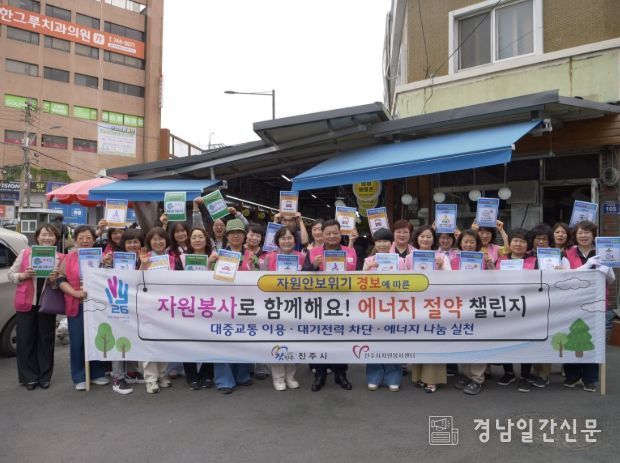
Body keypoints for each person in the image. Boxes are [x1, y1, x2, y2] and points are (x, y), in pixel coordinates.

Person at [302, 219, 356, 391]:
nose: (332, 236)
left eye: (335, 233)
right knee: (320, 339)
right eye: (328, 233)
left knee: (341, 339)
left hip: (343, 303)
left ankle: (341, 374)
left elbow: (357, 276)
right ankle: (320, 374)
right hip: (320, 304)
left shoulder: (350, 252)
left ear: (340, 234)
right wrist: (313, 266)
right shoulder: (313, 252)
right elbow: (302, 277)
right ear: (322, 234)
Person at [8, 224, 63, 390]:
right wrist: (23, 275)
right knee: (25, 340)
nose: (47, 238)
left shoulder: (60, 257)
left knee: (46, 340)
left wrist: (55, 280)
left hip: (47, 304)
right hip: (26, 303)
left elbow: (63, 282)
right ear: (37, 237)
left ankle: (44, 376)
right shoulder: (26, 253)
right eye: (44, 234)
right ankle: (29, 377)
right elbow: (11, 274)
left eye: (51, 235)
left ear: (56, 239)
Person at [563, 221, 615, 392]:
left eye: (587, 232)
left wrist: (607, 271)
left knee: (593, 340)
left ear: (593, 235)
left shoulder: (602, 252)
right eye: (580, 233)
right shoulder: (568, 253)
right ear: (575, 235)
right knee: (572, 338)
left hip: (597, 304)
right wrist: (586, 266)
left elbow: (611, 280)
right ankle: (572, 376)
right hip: (573, 303)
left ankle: (590, 378)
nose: (583, 236)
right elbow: (565, 277)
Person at [57, 225, 109, 391]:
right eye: (81, 238)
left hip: (97, 306)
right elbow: (60, 279)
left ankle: (97, 372)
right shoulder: (68, 258)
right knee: (78, 341)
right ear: (75, 240)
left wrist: (106, 265)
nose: (85, 241)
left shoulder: (102, 257)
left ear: (94, 240)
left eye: (88, 238)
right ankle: (79, 376)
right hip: (76, 304)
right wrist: (74, 292)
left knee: (98, 338)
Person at [406, 225, 450, 393]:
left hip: (435, 303)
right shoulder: (409, 258)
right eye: (422, 236)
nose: (425, 239)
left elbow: (452, 279)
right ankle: (418, 376)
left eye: (429, 237)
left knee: (433, 339)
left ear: (434, 239)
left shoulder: (441, 257)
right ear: (417, 238)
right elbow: (403, 280)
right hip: (415, 304)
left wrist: (439, 268)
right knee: (418, 339)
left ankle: (432, 379)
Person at [212, 219, 253, 394]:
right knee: (223, 341)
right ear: (226, 236)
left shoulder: (251, 255)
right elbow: (207, 279)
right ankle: (224, 380)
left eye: (239, 233)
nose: (236, 236)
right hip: (224, 304)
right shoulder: (218, 255)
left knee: (244, 339)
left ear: (244, 236)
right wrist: (210, 264)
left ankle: (242, 375)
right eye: (232, 233)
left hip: (246, 304)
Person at [451, 229, 493, 395]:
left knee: (477, 340)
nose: (468, 245)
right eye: (466, 241)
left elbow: (496, 281)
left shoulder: (484, 260)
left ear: (477, 244)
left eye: (472, 242)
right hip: (460, 305)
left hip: (478, 304)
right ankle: (467, 375)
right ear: (460, 243)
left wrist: (490, 265)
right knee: (463, 339)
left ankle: (477, 378)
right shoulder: (454, 261)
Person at [104, 228, 147, 395]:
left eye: (136, 242)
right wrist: (107, 264)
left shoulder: (144, 258)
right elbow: (105, 278)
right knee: (119, 338)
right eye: (129, 242)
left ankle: (131, 372)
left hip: (137, 305)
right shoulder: (115, 258)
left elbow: (142, 280)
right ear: (123, 244)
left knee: (133, 337)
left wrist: (143, 263)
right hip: (119, 304)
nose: (133, 245)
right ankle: (118, 377)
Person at [138, 227, 180, 393]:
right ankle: (150, 379)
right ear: (149, 242)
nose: (158, 242)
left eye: (161, 238)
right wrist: (143, 263)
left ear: (166, 240)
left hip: (167, 305)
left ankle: (162, 374)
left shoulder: (173, 258)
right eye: (154, 239)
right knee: (149, 342)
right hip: (149, 306)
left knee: (164, 342)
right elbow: (137, 280)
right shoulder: (145, 257)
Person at [496, 228, 538, 392]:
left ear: (528, 245)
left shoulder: (535, 260)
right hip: (505, 306)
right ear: (510, 242)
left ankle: (526, 375)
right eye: (515, 240)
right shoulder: (501, 260)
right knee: (505, 340)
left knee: (526, 342)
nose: (518, 244)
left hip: (528, 308)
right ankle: (508, 372)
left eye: (522, 241)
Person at [262, 226, 303, 391]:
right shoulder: (269, 257)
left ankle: (290, 376)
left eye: (289, 238)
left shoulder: (302, 257)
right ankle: (278, 377)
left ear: (294, 240)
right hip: (275, 305)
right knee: (277, 340)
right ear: (277, 241)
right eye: (283, 238)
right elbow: (260, 280)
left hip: (296, 306)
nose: (286, 241)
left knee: (293, 341)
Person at [362, 228, 403, 392]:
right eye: (379, 241)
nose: (382, 244)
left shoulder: (400, 261)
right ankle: (374, 375)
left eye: (385, 241)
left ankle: (393, 376)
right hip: (373, 307)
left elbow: (408, 283)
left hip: (395, 306)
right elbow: (360, 283)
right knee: (374, 341)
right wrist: (368, 270)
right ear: (375, 243)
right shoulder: (368, 260)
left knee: (393, 341)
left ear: (391, 243)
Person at [181, 227, 217, 390]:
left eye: (200, 237)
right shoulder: (182, 258)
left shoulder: (215, 257)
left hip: (210, 304)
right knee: (188, 340)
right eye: (194, 237)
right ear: (189, 241)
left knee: (210, 339)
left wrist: (209, 265)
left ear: (206, 239)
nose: (197, 240)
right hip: (188, 304)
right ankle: (191, 375)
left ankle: (207, 374)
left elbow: (220, 279)